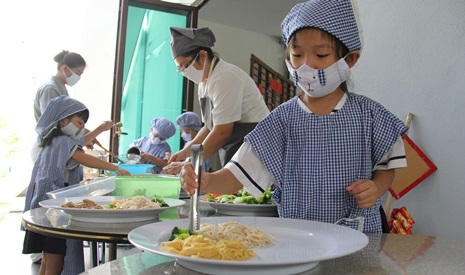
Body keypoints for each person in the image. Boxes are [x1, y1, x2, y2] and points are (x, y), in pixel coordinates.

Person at [180, 0, 409, 234]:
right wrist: (206, 180)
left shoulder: (369, 116)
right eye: (297, 55)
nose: (306, 66)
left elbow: (387, 166)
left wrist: (376, 187)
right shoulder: (280, 121)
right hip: (298, 239)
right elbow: (237, 175)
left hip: (359, 240)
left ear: (349, 60)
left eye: (320, 54)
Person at [22, 96, 130, 275]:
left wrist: (101, 129)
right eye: (79, 123)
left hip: (42, 209)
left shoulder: (51, 140)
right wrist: (115, 167)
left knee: (47, 261)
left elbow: (81, 142)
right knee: (55, 262)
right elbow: (82, 156)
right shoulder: (64, 141)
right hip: (54, 213)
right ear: (63, 119)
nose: (80, 129)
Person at [168, 27, 270, 168]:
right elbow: (209, 127)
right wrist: (185, 152)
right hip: (235, 147)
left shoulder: (225, 76)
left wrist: (191, 163)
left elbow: (222, 132)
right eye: (180, 69)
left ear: (202, 56)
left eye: (186, 65)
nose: (185, 71)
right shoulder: (204, 83)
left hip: (253, 144)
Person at [31, 50, 114, 163]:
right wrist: (93, 132)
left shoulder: (61, 88)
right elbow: (52, 124)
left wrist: (85, 134)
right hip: (48, 148)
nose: (78, 77)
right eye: (77, 73)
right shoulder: (50, 89)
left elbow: (67, 123)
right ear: (65, 68)